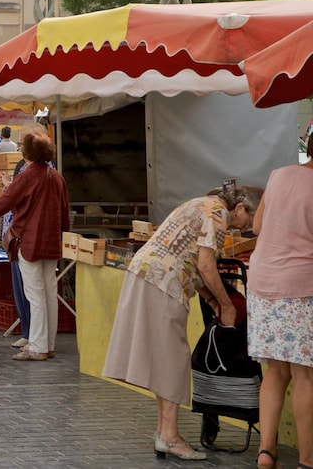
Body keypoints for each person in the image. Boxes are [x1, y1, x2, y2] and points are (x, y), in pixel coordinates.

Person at [101, 185, 261, 461]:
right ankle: (170, 436)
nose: (244, 227)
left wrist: (212, 299)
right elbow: (206, 265)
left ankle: (165, 431)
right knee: (173, 359)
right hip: (164, 282)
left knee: (166, 358)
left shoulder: (202, 203)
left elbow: (191, 259)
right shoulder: (218, 213)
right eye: (249, 219)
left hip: (148, 273)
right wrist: (225, 305)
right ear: (240, 208)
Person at [0, 133, 69, 362]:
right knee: (49, 293)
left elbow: (4, 203)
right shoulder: (56, 176)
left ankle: (37, 347)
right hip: (51, 241)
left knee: (35, 294)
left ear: (28, 152)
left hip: (30, 241)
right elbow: (64, 212)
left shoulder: (27, 176)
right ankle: (47, 344)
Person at [247, 144, 313, 469]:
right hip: (299, 288)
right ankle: (307, 460)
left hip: (261, 284)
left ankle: (266, 453)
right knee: (305, 375)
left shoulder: (279, 175)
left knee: (274, 371)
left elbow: (257, 227)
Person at [0, 122, 49, 349]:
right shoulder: (22, 166)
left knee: (33, 292)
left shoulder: (43, 170)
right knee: (22, 287)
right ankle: (28, 333)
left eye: (24, 142)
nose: (20, 147)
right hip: (15, 234)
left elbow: (18, 199)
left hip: (28, 236)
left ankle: (37, 340)